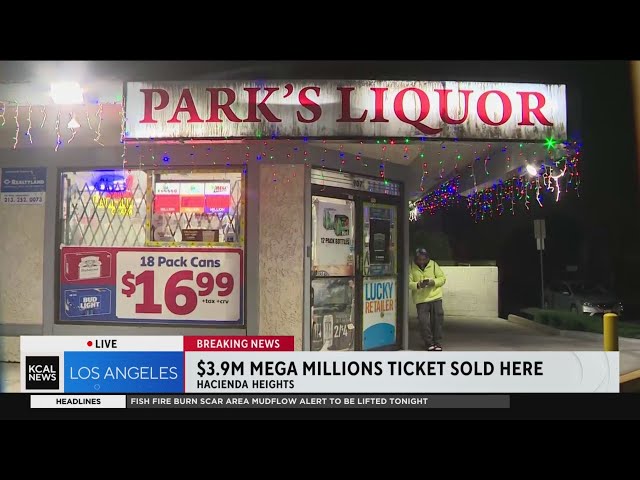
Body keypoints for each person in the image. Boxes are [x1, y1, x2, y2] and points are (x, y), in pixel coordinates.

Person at [409, 248, 447, 351]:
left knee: (437, 321)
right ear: (416, 259)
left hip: (435, 297)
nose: (421, 262)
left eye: (423, 259)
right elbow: (408, 282)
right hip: (421, 300)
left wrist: (433, 282)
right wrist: (418, 285)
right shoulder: (411, 267)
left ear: (427, 258)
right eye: (419, 259)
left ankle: (437, 342)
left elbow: (442, 278)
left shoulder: (433, 265)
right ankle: (429, 343)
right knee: (423, 322)